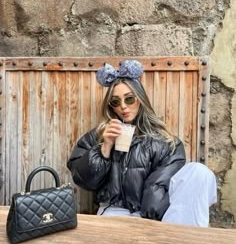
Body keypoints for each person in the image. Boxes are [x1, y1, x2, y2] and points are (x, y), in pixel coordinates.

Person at [67, 60, 217, 227]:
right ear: (111, 107)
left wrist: (150, 222)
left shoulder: (166, 142)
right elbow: (84, 181)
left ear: (140, 99)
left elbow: (159, 188)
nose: (123, 106)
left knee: (199, 172)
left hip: (156, 215)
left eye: (129, 99)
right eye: (115, 102)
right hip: (113, 212)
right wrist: (105, 147)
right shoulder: (98, 136)